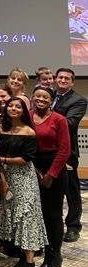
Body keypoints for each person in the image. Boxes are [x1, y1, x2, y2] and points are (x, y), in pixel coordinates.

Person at [0, 97, 47, 267]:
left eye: (18, 106)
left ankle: (30, 264)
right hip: (7, 176)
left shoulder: (29, 132)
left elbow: (26, 159)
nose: (14, 108)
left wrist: (2, 160)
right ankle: (21, 258)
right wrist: (2, 179)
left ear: (24, 111)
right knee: (13, 217)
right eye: (11, 106)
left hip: (25, 178)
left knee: (27, 217)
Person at [30, 86, 70, 267]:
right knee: (39, 215)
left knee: (53, 216)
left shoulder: (59, 119)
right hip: (32, 167)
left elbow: (64, 150)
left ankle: (55, 257)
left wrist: (50, 175)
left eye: (45, 97)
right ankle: (45, 255)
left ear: (51, 100)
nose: (40, 99)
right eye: (37, 96)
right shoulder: (28, 116)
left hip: (53, 169)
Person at [51, 67, 86, 242]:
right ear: (55, 79)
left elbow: (70, 123)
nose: (63, 80)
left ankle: (73, 226)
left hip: (67, 152)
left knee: (71, 190)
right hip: (45, 151)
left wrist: (45, 120)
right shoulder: (47, 96)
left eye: (67, 78)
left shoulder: (79, 100)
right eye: (60, 77)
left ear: (72, 82)